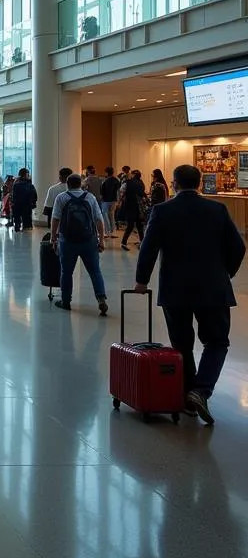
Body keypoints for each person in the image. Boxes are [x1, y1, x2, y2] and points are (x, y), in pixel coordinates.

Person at [134, 164, 245, 425]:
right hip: (213, 288)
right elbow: (238, 247)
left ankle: (188, 397)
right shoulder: (217, 209)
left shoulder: (162, 211)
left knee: (182, 344)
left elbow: (148, 249)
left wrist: (141, 281)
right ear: (198, 183)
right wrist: (224, 273)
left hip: (175, 289)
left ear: (173, 184)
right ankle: (201, 390)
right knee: (217, 341)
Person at [50, 172, 108, 315]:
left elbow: (55, 219)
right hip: (89, 240)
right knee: (95, 271)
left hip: (67, 241)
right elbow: (99, 220)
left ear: (67, 184)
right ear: (81, 184)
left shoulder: (61, 197)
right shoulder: (90, 197)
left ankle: (66, 301)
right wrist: (101, 239)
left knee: (66, 272)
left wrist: (53, 238)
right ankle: (101, 299)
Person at [119, 168, 147, 251]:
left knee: (130, 226)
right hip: (139, 207)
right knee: (139, 226)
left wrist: (121, 200)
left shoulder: (127, 182)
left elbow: (121, 191)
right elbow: (142, 194)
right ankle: (142, 242)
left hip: (130, 206)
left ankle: (124, 242)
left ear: (133, 175)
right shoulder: (142, 183)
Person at [100, 166, 121, 237]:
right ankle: (113, 232)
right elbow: (118, 191)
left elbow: (102, 192)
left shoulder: (105, 181)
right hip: (114, 200)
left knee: (105, 216)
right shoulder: (116, 180)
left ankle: (106, 232)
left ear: (106, 172)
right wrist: (118, 201)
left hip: (105, 200)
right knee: (112, 215)